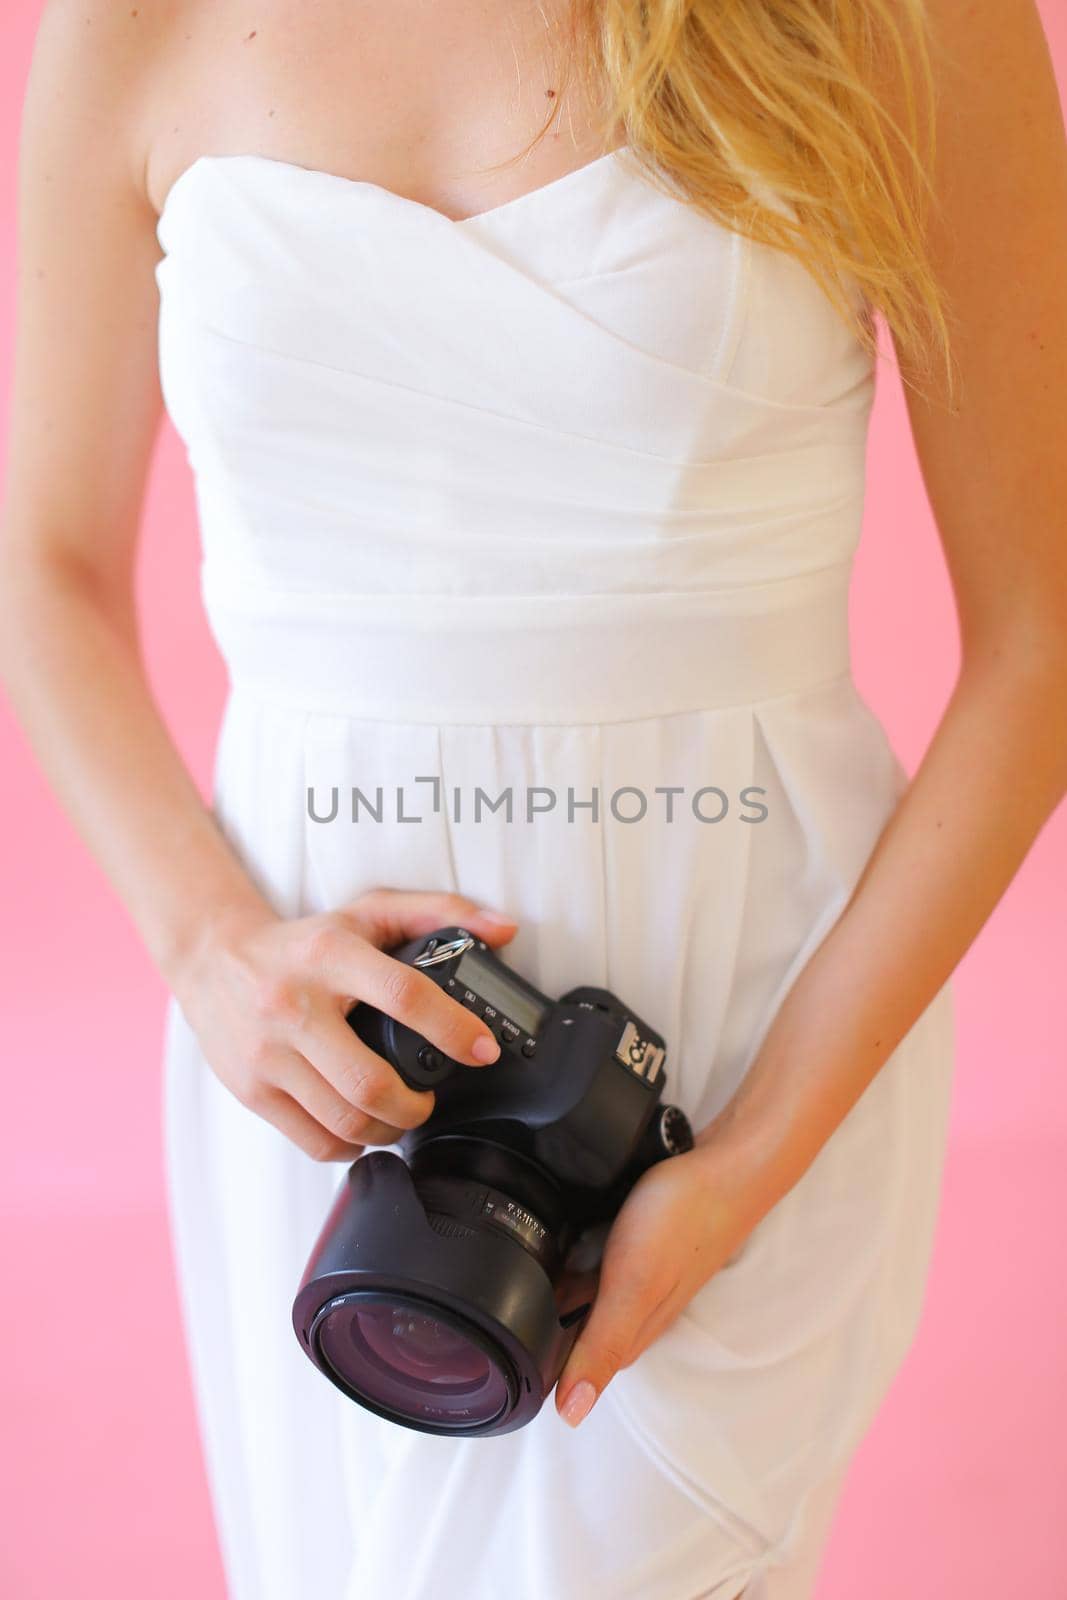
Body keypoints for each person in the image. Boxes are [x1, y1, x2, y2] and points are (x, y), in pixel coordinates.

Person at [3, 0, 1066, 1596]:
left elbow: (1044, 638)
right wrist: (213, 951)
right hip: (317, 1080)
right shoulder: (129, 24)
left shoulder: (906, 20)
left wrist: (750, 1161)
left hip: (749, 1054)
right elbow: (48, 566)